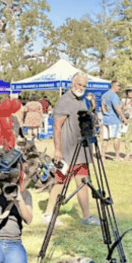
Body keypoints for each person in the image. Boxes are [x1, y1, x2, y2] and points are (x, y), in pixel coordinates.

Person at [42, 72, 101, 227]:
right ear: (72, 83)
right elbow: (57, 127)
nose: (81, 87)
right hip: (67, 151)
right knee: (60, 182)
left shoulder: (83, 100)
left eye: (84, 85)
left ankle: (86, 216)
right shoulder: (64, 101)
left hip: (82, 150)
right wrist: (57, 151)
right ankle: (48, 214)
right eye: (79, 84)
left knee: (82, 182)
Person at [100, 80, 126, 160]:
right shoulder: (114, 96)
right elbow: (117, 108)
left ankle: (102, 156)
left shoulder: (104, 95)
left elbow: (102, 108)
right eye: (118, 86)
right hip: (113, 120)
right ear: (113, 86)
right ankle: (117, 156)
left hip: (105, 120)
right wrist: (124, 118)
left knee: (105, 139)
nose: (119, 88)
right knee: (116, 138)